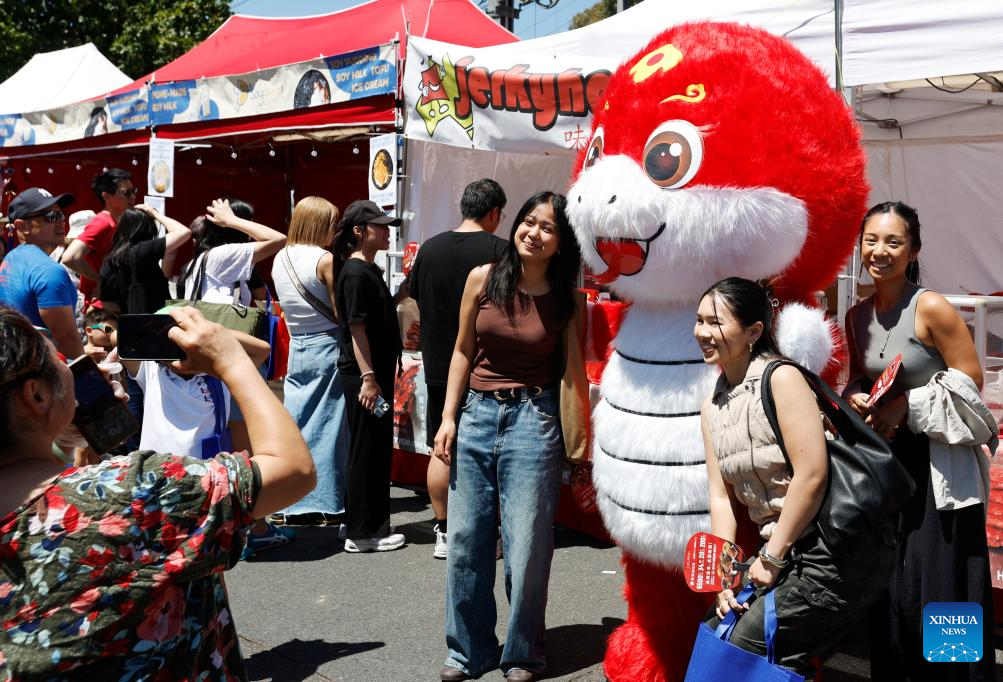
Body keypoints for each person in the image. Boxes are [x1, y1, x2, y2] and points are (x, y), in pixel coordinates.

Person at [0, 305, 315, 678]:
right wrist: (232, 363)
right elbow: (293, 470)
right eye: (58, 358)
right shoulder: (128, 494)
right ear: (36, 396)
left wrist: (65, 444)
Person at [695, 277, 896, 677]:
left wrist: (770, 558)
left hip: (832, 549)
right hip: (786, 551)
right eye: (699, 320)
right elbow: (721, 497)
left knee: (744, 649)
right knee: (717, 633)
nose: (702, 332)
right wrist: (724, 575)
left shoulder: (781, 377)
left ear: (754, 332)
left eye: (715, 322)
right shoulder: (711, 406)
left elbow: (812, 475)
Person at [433, 191, 583, 682]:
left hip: (533, 422)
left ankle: (522, 653)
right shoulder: (483, 278)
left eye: (548, 228)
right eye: (528, 221)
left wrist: (578, 437)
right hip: (475, 416)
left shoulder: (567, 299)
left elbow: (572, 372)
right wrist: (448, 416)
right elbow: (460, 351)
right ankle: (468, 651)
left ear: (561, 243)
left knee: (527, 546)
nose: (533, 232)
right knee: (466, 542)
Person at [844, 202, 994, 681]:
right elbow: (853, 378)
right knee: (892, 587)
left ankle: (959, 678)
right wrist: (857, 398)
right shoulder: (855, 315)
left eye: (893, 242)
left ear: (914, 251)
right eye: (871, 240)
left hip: (939, 467)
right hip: (885, 469)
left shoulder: (930, 306)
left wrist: (907, 405)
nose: (879, 252)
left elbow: (972, 380)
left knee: (946, 584)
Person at [181, 197, 288, 554]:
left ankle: (246, 523)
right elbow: (277, 239)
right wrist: (234, 221)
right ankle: (253, 526)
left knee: (229, 444)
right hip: (231, 363)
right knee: (245, 447)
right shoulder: (221, 256)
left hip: (214, 366)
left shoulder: (198, 262)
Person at [410, 178, 508, 559]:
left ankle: (445, 530)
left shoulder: (430, 248)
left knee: (442, 445)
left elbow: (414, 297)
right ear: (495, 213)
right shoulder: (500, 251)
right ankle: (486, 531)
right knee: (489, 454)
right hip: (487, 366)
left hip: (437, 362)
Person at [270, 196, 349, 526]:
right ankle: (323, 500)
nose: (336, 229)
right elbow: (341, 311)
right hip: (327, 345)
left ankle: (290, 497)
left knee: (298, 422)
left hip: (299, 347)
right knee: (329, 426)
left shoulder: (280, 257)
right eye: (332, 223)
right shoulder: (324, 259)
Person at [334, 199, 408, 553]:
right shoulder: (357, 272)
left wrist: (400, 296)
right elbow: (356, 328)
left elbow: (371, 318)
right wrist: (368, 377)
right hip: (366, 376)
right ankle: (364, 531)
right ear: (359, 231)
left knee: (370, 447)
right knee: (369, 450)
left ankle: (359, 522)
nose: (386, 232)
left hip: (370, 373)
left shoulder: (364, 270)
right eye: (379, 226)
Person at [0, 187, 84, 359]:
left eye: (61, 214)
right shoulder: (48, 271)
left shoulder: (11, 258)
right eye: (51, 217)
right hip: (42, 375)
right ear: (22, 226)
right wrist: (91, 380)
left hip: (16, 365)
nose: (61, 222)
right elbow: (67, 340)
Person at [99, 204, 192, 315]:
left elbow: (107, 303)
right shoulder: (142, 250)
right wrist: (154, 213)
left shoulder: (110, 260)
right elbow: (184, 232)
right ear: (147, 227)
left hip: (127, 325)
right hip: (154, 323)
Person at [61, 168, 136, 302]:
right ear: (107, 197)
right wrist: (101, 280)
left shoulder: (116, 222)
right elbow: (69, 257)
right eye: (126, 193)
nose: (133, 197)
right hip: (100, 310)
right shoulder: (103, 223)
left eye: (133, 191)